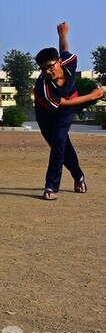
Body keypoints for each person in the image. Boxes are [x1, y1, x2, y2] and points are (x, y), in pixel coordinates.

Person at [33, 22, 103, 201]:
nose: (47, 71)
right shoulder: (43, 86)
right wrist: (93, 95)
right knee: (61, 144)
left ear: (58, 62)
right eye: (43, 69)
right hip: (46, 112)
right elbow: (64, 101)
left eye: (50, 66)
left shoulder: (69, 61)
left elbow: (64, 48)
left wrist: (62, 33)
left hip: (66, 111)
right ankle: (78, 176)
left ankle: (51, 186)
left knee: (59, 141)